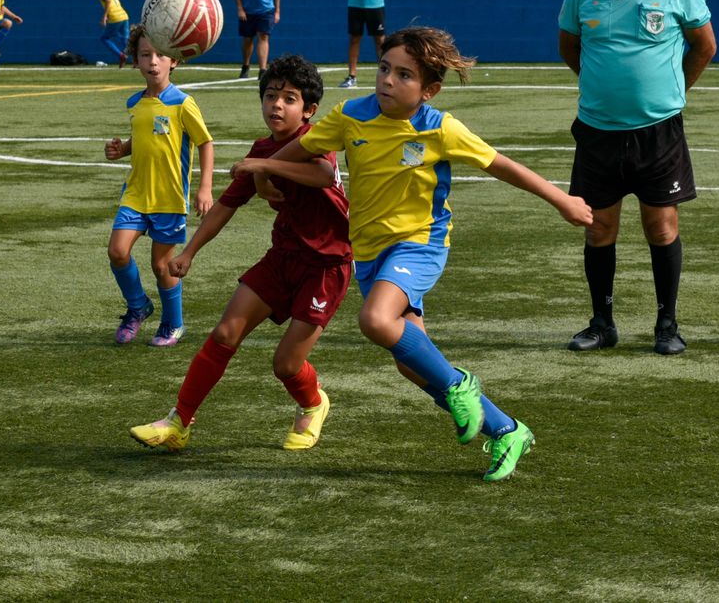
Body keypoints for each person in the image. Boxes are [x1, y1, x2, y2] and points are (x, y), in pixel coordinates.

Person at [238, 27, 593, 481]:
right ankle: (507, 429)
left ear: (429, 90)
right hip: (369, 254)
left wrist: (561, 200)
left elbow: (504, 166)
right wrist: (266, 171)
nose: (387, 79)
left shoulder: (439, 127)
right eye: (384, 68)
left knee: (375, 321)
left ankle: (460, 384)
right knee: (412, 364)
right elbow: (298, 150)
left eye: (404, 75)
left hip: (420, 244)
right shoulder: (350, 116)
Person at [130, 56, 350, 452]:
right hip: (282, 258)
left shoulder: (315, 140)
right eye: (270, 95)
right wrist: (190, 252)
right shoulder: (262, 148)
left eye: (289, 98)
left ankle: (314, 403)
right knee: (225, 333)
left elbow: (320, 173)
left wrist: (263, 166)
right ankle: (178, 422)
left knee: (285, 365)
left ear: (309, 110)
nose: (277, 105)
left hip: (326, 267)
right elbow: (226, 205)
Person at [557, 0, 716, 356]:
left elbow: (704, 46)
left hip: (658, 132)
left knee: (661, 227)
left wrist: (673, 91)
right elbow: (570, 48)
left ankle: (667, 325)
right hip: (597, 131)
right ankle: (602, 323)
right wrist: (603, 85)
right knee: (598, 228)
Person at [105, 26, 215, 347]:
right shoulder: (135, 103)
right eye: (145, 55)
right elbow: (143, 140)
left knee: (161, 265)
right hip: (136, 194)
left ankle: (174, 324)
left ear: (174, 61)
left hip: (169, 198)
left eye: (160, 55)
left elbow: (205, 143)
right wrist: (121, 149)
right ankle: (138, 306)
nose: (153, 61)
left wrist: (204, 188)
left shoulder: (182, 103)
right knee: (117, 251)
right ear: (136, 61)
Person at [94, 0, 129, 68]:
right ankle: (137, 60)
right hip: (124, 15)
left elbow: (108, 1)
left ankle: (121, 56)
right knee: (124, 39)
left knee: (104, 38)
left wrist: (104, 16)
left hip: (115, 17)